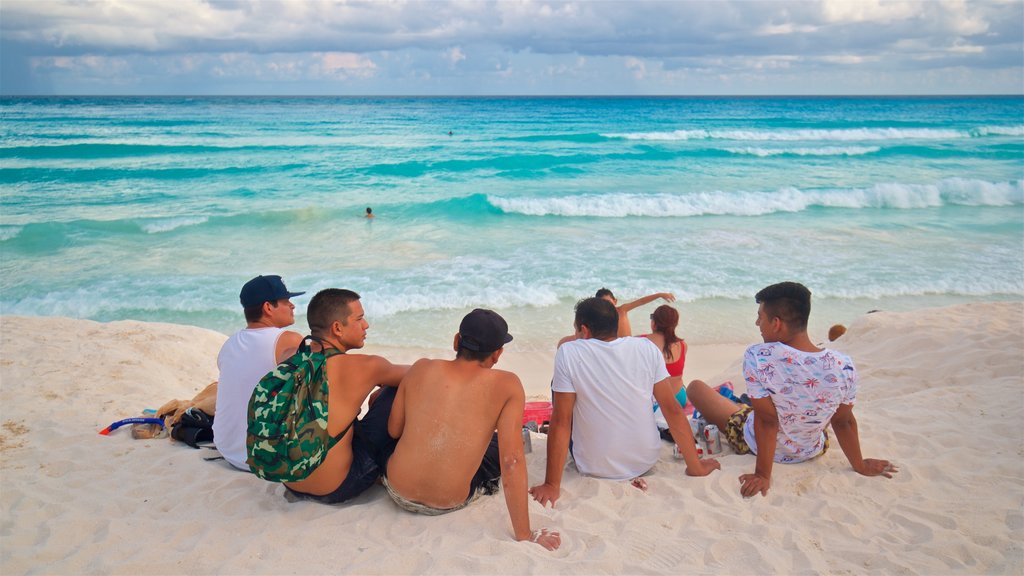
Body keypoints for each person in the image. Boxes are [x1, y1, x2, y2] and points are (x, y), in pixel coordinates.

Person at [686, 282, 898, 499]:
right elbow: (843, 421)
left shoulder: (758, 356)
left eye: (760, 316)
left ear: (776, 323)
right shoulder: (844, 365)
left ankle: (742, 408)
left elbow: (767, 421)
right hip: (813, 448)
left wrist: (762, 475)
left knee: (695, 389)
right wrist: (859, 464)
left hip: (759, 443)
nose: (757, 323)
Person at [383, 309, 560, 550]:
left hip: (396, 489)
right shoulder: (507, 384)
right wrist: (525, 534)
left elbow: (394, 431)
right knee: (499, 445)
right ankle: (525, 435)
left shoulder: (421, 367)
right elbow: (512, 462)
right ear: (497, 354)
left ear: (456, 341)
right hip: (448, 501)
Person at [530, 297, 720, 508]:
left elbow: (561, 422)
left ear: (584, 330)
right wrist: (695, 467)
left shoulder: (569, 352)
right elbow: (672, 410)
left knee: (560, 390)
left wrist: (551, 485)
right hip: (646, 459)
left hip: (594, 465)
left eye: (576, 330)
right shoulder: (647, 347)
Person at [282, 288, 409, 503]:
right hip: (336, 488)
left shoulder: (289, 359)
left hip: (288, 480)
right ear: (338, 328)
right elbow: (423, 376)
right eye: (359, 319)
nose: (366, 325)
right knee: (395, 390)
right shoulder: (365, 366)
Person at [213, 275, 305, 471]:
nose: (292, 306)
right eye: (286, 301)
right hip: (264, 458)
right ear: (268, 307)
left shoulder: (229, 344)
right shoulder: (288, 340)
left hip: (228, 450)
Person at [557, 288, 676, 347]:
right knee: (565, 340)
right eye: (602, 303)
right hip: (608, 346)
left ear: (615, 301)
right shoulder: (598, 317)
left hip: (625, 346)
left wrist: (660, 295)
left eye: (609, 302)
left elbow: (641, 301)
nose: (607, 306)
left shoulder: (622, 310)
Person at [640, 304, 688, 404]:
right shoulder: (682, 345)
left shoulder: (640, 341)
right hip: (679, 398)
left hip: (656, 402)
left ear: (654, 324)